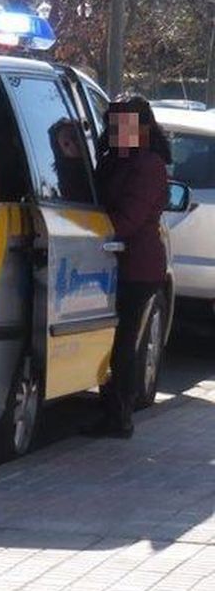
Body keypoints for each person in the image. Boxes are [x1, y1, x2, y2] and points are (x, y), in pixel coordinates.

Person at [92, 94, 170, 438]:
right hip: (114, 261)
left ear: (142, 128)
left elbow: (128, 219)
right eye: (114, 124)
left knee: (124, 343)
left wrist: (96, 231)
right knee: (114, 340)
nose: (118, 131)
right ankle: (113, 409)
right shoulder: (117, 159)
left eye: (126, 125)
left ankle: (119, 415)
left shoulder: (147, 165)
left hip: (135, 268)